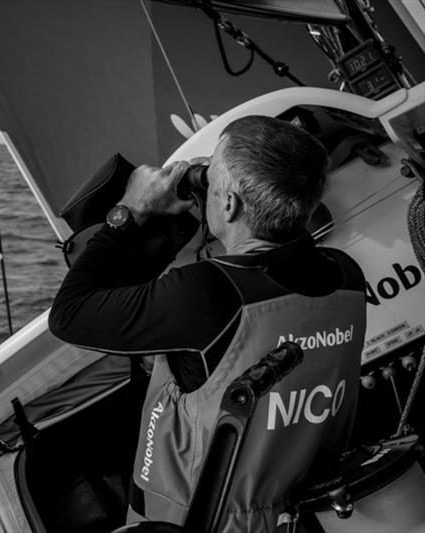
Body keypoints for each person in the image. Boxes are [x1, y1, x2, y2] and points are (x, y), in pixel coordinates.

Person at [48, 115, 367, 532]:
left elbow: (69, 315)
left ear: (231, 204)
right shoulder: (346, 276)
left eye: (210, 179)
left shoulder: (207, 296)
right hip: (302, 516)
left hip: (194, 523)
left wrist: (130, 210)